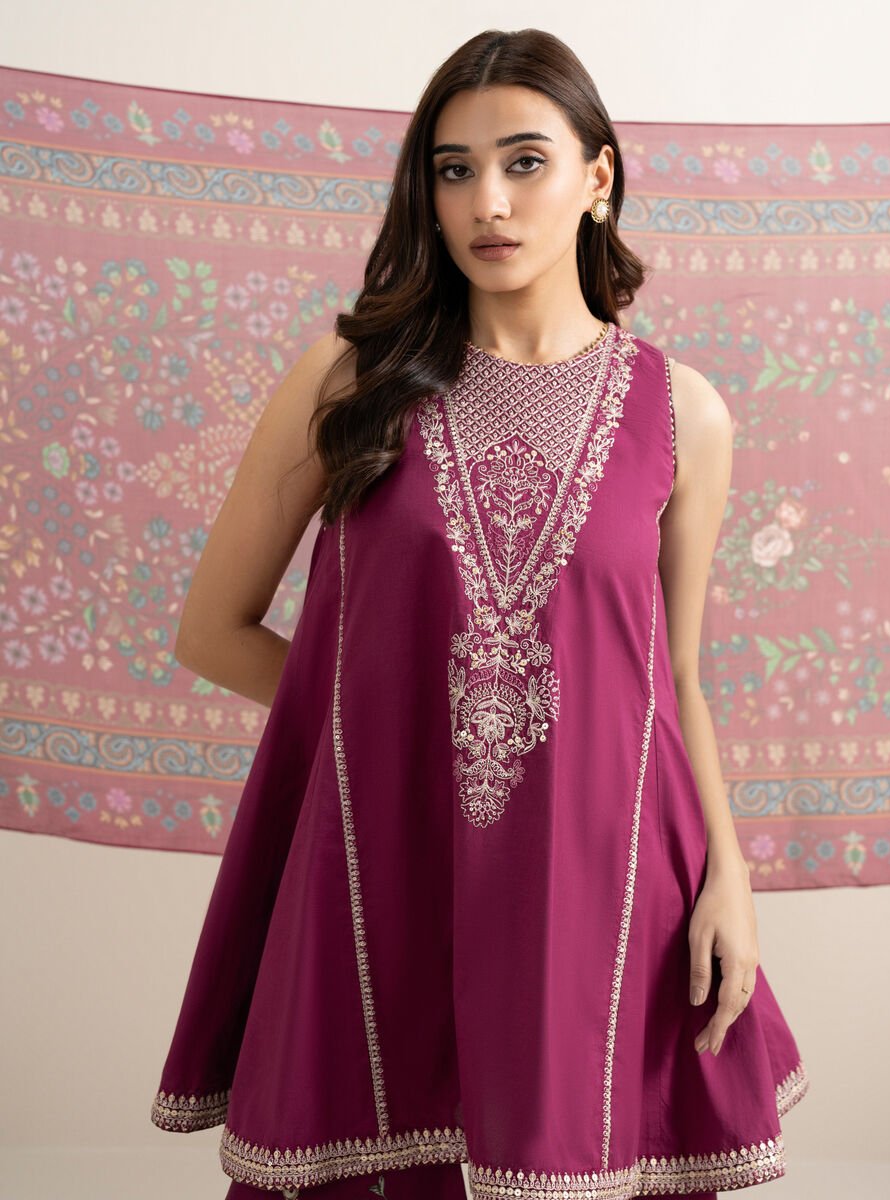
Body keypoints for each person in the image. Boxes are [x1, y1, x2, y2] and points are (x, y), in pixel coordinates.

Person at [150, 28, 809, 1199]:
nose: (487, 202)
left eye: (523, 162)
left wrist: (731, 879)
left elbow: (673, 680)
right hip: (390, 847)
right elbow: (214, 631)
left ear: (597, 178)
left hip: (599, 874)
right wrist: (396, 726)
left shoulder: (682, 414)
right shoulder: (348, 379)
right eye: (453, 170)